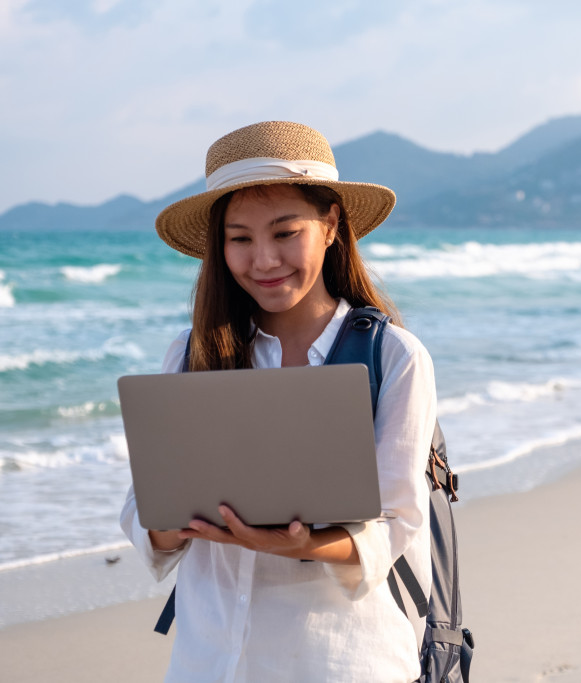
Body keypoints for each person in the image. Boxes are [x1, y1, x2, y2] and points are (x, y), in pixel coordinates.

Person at [120, 121, 437, 682]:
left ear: (332, 225)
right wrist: (182, 523)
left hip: (339, 662)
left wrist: (302, 545)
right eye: (240, 239)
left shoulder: (393, 355)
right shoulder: (192, 355)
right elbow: (143, 516)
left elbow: (397, 527)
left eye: (285, 232)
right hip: (208, 662)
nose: (263, 260)